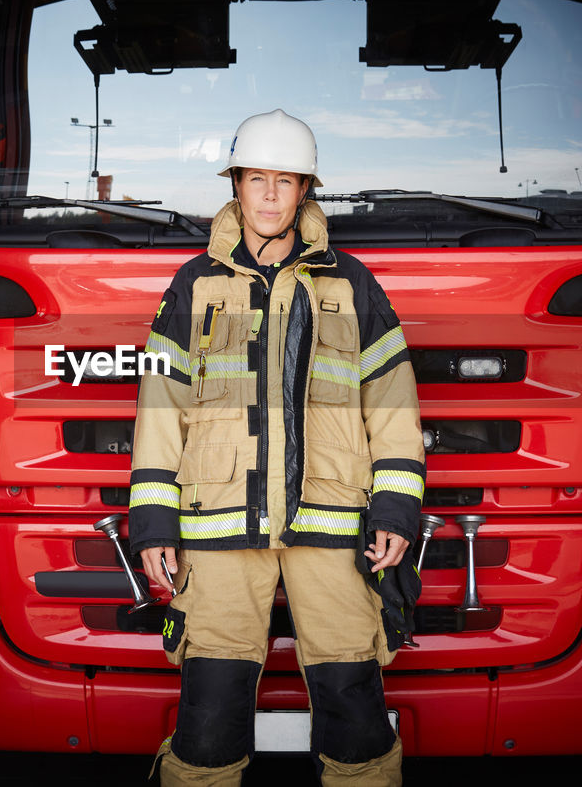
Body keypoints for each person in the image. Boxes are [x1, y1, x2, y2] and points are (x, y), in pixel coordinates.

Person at [128, 109, 425, 786]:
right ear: (235, 186)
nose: (268, 194)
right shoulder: (192, 286)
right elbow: (160, 408)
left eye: (283, 181)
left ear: (304, 191)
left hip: (333, 531)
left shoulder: (353, 285)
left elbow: (393, 402)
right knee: (207, 717)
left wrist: (396, 509)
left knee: (356, 711)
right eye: (255, 178)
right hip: (218, 532)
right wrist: (152, 521)